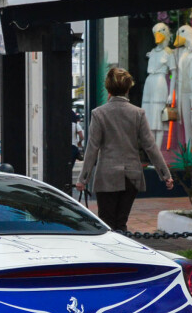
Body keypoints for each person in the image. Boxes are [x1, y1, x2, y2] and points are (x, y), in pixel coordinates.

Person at [75, 66, 174, 232]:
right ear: (128, 88)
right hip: (132, 176)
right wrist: (165, 175)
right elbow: (150, 146)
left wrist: (82, 179)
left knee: (106, 223)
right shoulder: (138, 113)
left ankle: (110, 255)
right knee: (121, 222)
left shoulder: (99, 114)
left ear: (108, 88)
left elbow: (92, 148)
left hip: (107, 176)